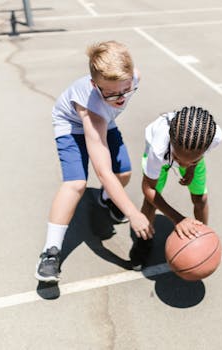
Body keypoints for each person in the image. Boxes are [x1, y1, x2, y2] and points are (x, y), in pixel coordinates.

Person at [35, 41, 153, 282]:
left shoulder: (133, 78)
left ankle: (105, 199)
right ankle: (50, 253)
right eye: (111, 92)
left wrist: (113, 98)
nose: (121, 98)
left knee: (125, 174)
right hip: (73, 125)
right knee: (76, 183)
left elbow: (113, 174)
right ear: (94, 85)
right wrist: (133, 213)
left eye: (125, 90)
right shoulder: (91, 107)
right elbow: (102, 171)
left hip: (105, 119)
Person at [129, 106, 222, 271]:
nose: (183, 165)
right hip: (163, 158)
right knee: (151, 202)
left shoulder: (213, 137)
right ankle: (144, 242)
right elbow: (148, 188)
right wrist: (178, 218)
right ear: (171, 142)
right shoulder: (158, 148)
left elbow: (191, 157)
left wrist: (192, 167)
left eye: (191, 161)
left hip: (188, 152)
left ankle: (200, 236)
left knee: (201, 199)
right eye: (179, 160)